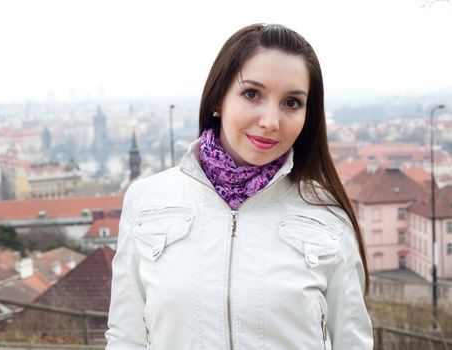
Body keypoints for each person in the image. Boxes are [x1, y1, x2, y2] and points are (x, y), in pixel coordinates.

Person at [105, 23, 374, 349]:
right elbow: (126, 338)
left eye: (292, 102)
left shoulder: (327, 214)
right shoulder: (147, 202)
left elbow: (352, 342)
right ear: (218, 98)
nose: (271, 121)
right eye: (252, 94)